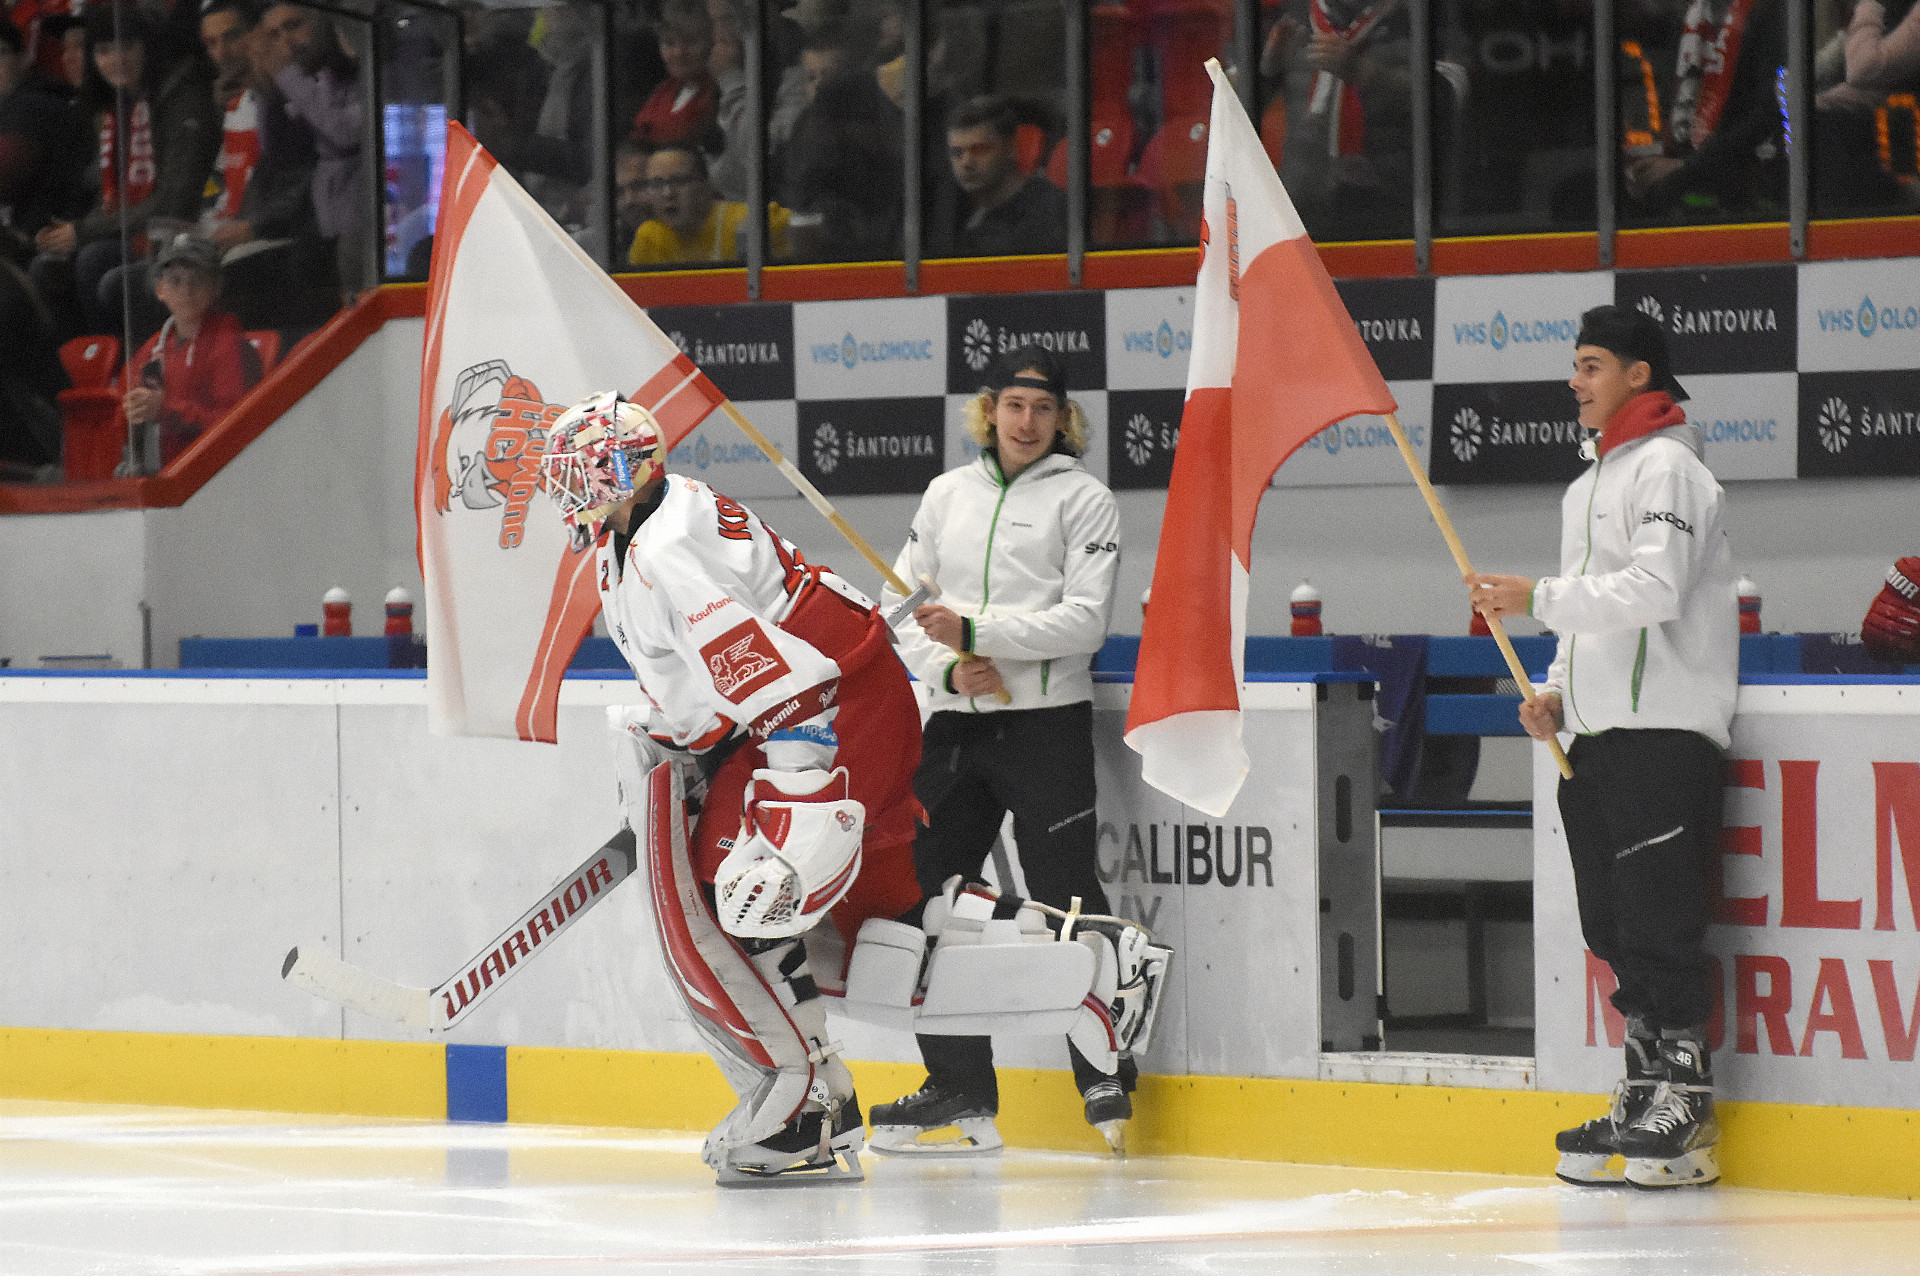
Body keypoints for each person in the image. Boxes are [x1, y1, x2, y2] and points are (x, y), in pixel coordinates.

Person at [537, 389, 925, 1182]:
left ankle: (808, 1103)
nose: (566, 489)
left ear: (622, 472)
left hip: (835, 704)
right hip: (817, 703)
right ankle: (816, 1093)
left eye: (581, 471)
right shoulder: (637, 530)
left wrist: (798, 799)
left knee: (739, 888)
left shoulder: (665, 551)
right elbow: (702, 677)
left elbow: (766, 675)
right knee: (823, 898)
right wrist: (680, 737)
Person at [1466, 305, 1738, 1190]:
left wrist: (1535, 596)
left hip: (1663, 733)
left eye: (1590, 364)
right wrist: (1555, 690)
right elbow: (1588, 612)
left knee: (1660, 919)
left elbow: (1655, 589)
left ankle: (1687, 1103)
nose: (1574, 380)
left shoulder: (1670, 469)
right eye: (1576, 364)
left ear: (1638, 375)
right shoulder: (1587, 483)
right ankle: (1644, 1085)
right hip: (1594, 738)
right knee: (1612, 925)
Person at [869, 345, 1146, 1155]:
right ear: (990, 412)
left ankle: (1102, 1071)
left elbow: (1086, 621)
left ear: (1064, 419)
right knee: (923, 897)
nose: (1027, 422)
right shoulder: (945, 494)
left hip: (1045, 725)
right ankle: (958, 1083)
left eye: (1044, 409)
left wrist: (980, 632)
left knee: (1066, 898)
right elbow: (897, 606)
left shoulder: (1085, 500)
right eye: (1014, 406)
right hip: (954, 725)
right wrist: (949, 665)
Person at [28, 5, 216, 339]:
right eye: (104, 50)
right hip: (133, 230)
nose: (116, 59)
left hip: (183, 232)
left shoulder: (181, 96)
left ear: (147, 47)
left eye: (126, 46)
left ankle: (128, 363)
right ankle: (89, 363)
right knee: (47, 266)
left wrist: (83, 231)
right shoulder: (114, 108)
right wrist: (68, 234)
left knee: (95, 260)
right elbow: (110, 198)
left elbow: (173, 201)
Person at [120, 231, 262, 471]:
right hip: (163, 475)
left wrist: (166, 409)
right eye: (175, 281)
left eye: (197, 281)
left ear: (214, 288)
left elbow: (235, 426)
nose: (186, 291)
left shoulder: (229, 346)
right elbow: (122, 409)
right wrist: (130, 411)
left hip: (213, 475)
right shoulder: (153, 348)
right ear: (160, 289)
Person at [928, 95, 1065, 258]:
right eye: (957, 153)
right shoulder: (955, 216)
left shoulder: (1050, 213)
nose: (966, 162)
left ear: (1010, 148)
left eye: (980, 150)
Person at [626, 143, 789, 264]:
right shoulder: (649, 237)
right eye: (657, 184)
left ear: (706, 186)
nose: (668, 193)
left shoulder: (756, 221)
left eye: (679, 181)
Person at [629, 0, 716, 148]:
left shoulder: (715, 95)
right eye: (669, 43)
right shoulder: (663, 92)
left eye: (690, 42)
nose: (678, 53)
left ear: (711, 43)